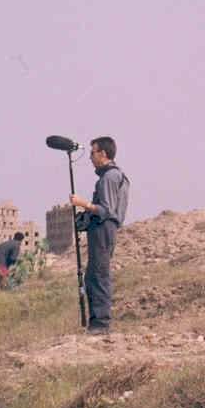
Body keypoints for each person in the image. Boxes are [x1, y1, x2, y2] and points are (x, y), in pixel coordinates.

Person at [69, 136, 130, 334]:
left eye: (92, 153)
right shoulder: (110, 176)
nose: (90, 158)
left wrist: (82, 203)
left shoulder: (110, 177)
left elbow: (105, 210)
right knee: (92, 276)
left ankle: (101, 324)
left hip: (104, 229)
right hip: (101, 230)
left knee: (99, 275)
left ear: (103, 154)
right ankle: (96, 322)